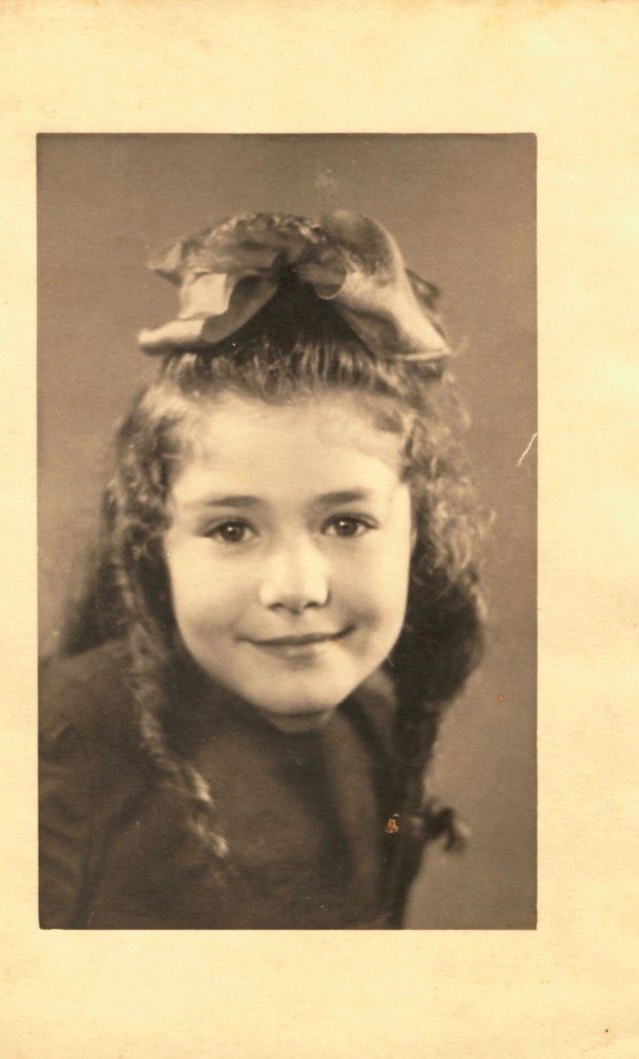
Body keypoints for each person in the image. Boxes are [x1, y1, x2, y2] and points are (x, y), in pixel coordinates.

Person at [39, 210, 484, 929]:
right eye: (232, 529)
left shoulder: (376, 726)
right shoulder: (60, 744)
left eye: (347, 523)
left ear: (417, 535)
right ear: (156, 540)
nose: (297, 589)